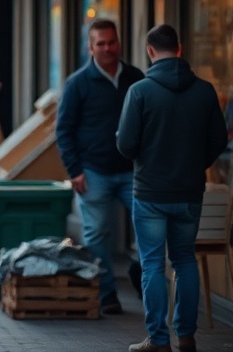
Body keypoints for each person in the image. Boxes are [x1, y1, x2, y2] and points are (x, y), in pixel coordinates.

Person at [116, 24, 226, 352]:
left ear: (151, 51)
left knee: (152, 264)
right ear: (179, 49)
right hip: (190, 192)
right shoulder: (205, 91)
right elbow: (219, 140)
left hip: (150, 193)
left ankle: (159, 340)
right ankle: (187, 336)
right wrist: (195, 164)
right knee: (184, 260)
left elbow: (124, 144)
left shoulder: (140, 91)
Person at [55, 18, 144, 315]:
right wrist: (74, 170)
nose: (107, 48)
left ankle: (141, 273)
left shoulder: (135, 78)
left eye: (112, 42)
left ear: (119, 43)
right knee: (95, 235)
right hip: (92, 172)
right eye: (101, 44)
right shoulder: (78, 83)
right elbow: (64, 130)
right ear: (90, 48)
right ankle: (107, 294)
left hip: (134, 170)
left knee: (149, 227)